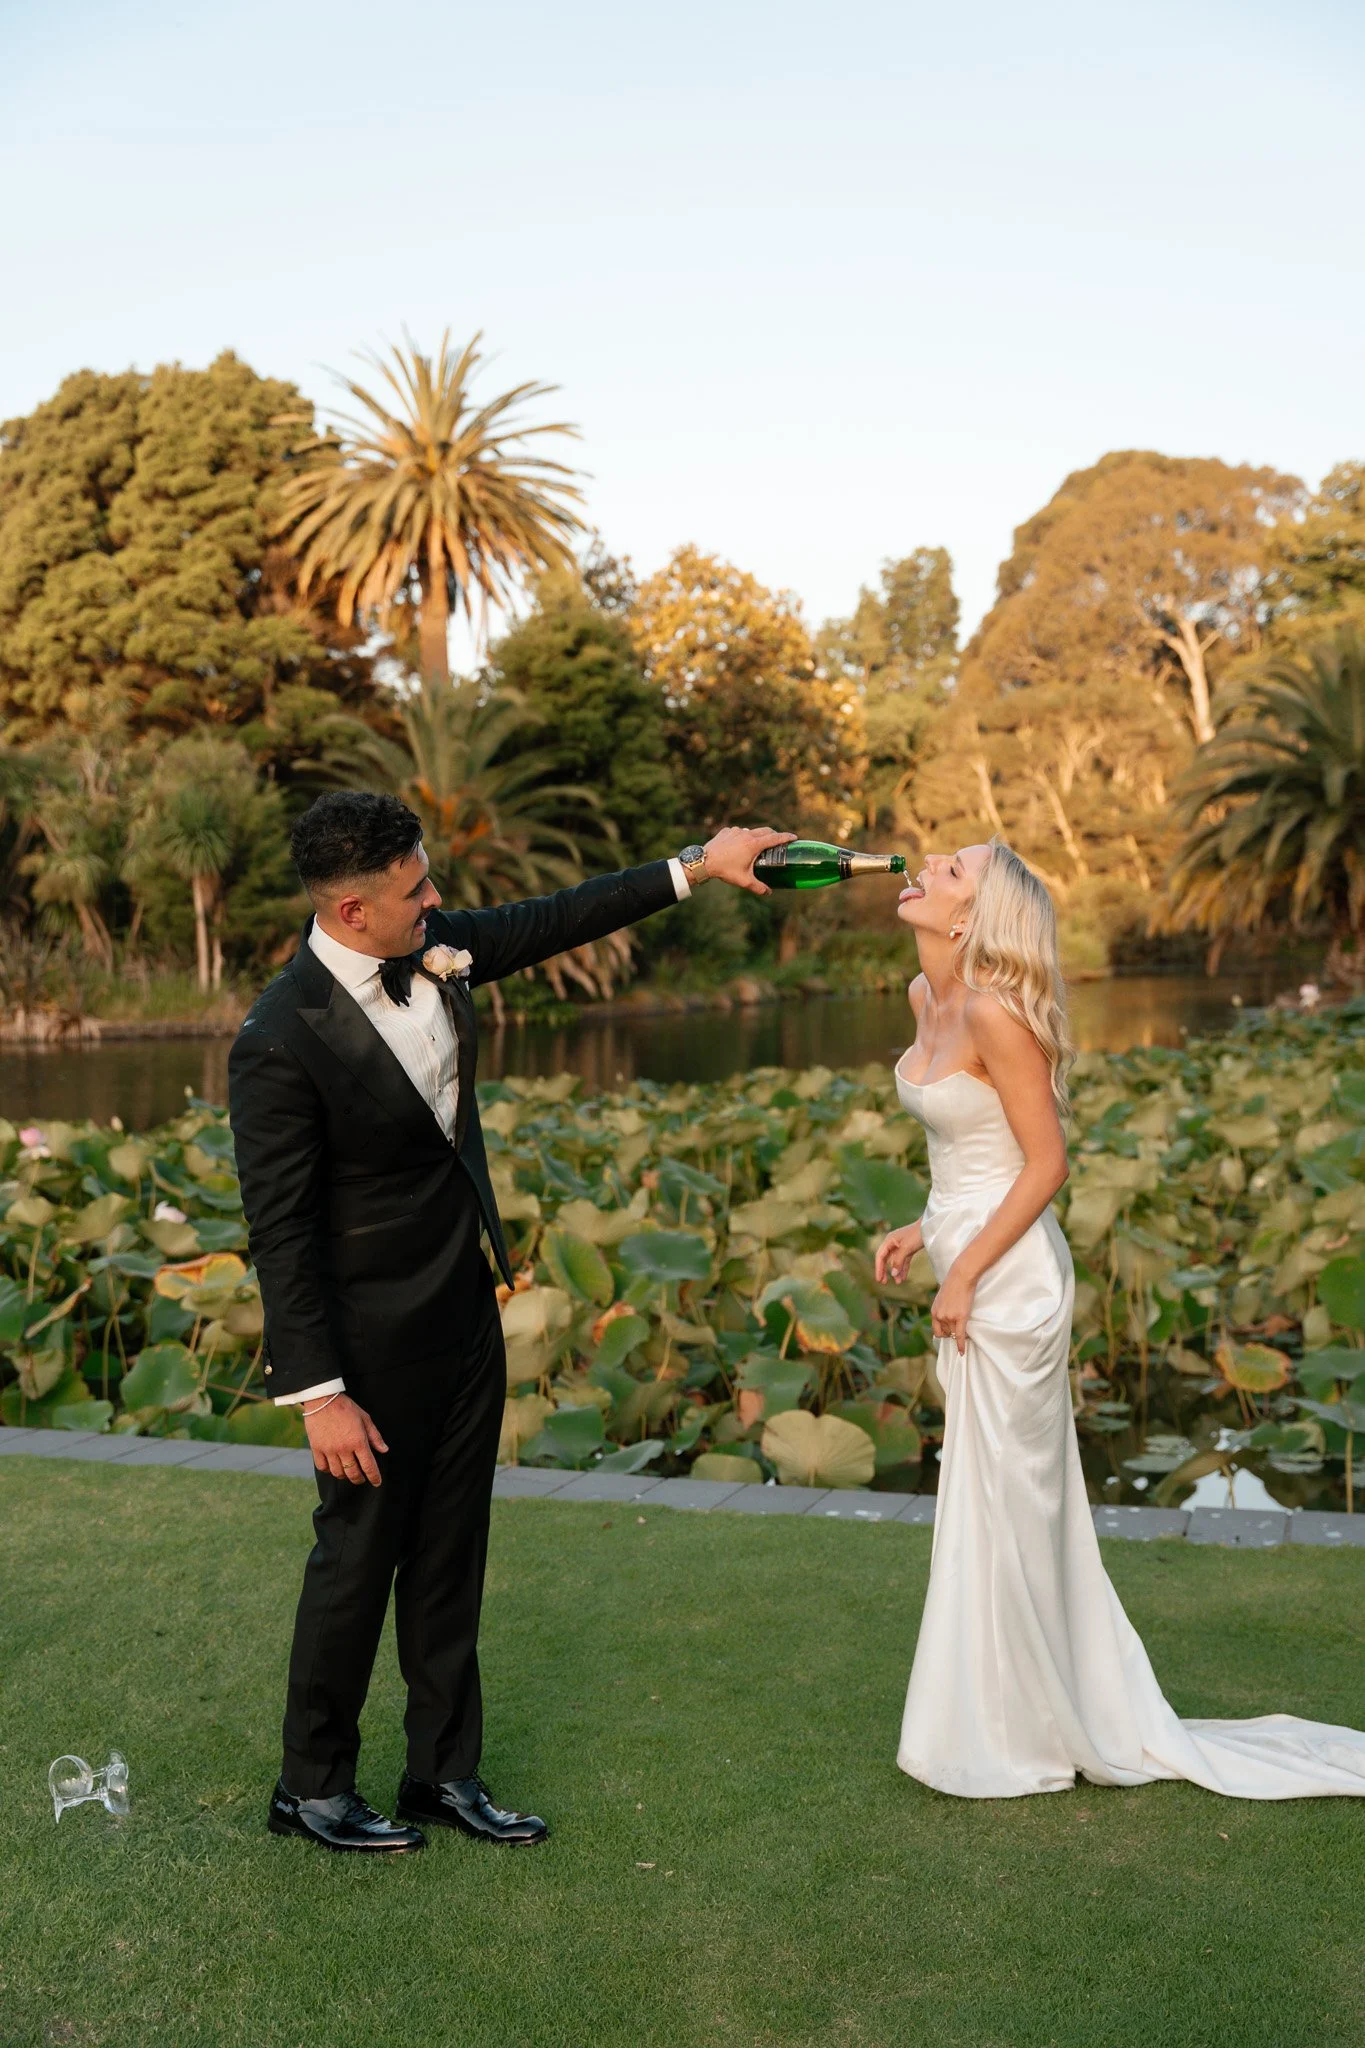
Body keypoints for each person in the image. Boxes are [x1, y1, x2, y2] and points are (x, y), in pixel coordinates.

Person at [229, 792, 791, 1854]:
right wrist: (319, 1393)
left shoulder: (434, 945)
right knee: (356, 1562)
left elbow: (554, 916)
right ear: (352, 910)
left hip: (461, 1314)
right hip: (361, 1351)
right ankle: (311, 1785)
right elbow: (282, 1232)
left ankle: (445, 1771)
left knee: (451, 1555)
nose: (437, 901)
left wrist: (699, 865)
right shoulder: (275, 1040)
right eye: (415, 891)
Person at [876, 838, 1365, 1800]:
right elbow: (967, 1158)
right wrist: (921, 1228)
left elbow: (1046, 1165)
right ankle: (1002, 1713)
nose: (929, 861)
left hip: (1011, 1280)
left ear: (972, 917)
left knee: (1016, 1501)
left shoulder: (989, 1010)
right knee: (983, 1496)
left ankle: (1051, 1722)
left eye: (956, 868)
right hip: (967, 1248)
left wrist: (965, 1269)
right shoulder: (922, 998)